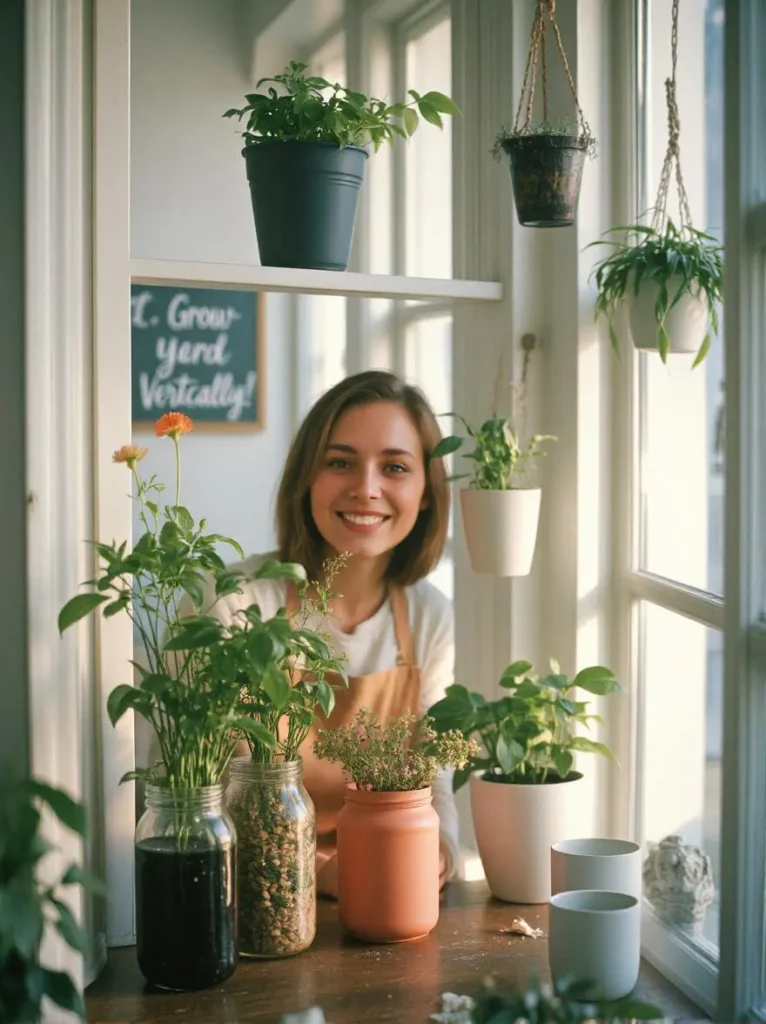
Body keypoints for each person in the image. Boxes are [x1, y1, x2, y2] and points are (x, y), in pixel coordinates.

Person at [199, 370, 459, 896]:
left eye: (394, 467)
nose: (366, 488)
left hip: (391, 889)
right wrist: (318, 871)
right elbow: (219, 787)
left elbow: (437, 784)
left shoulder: (430, 616)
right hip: (259, 896)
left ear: (427, 493)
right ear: (306, 479)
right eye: (340, 462)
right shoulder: (237, 599)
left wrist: (440, 855)